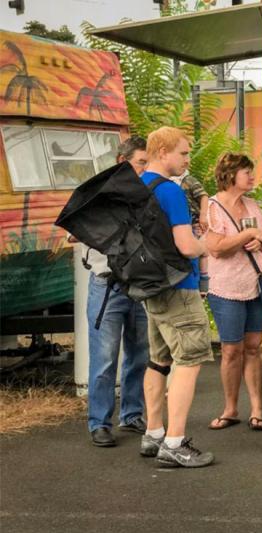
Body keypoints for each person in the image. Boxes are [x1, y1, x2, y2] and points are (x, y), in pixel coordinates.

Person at [138, 126, 215, 468]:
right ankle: (175, 441)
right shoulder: (169, 191)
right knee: (189, 360)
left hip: (150, 286)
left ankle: (153, 433)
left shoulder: (138, 186)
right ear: (162, 152)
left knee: (158, 361)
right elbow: (185, 245)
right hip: (179, 288)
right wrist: (204, 245)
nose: (186, 160)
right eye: (182, 153)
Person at [84, 136, 150, 448]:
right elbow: (79, 230)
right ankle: (99, 423)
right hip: (107, 285)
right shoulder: (100, 194)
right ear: (124, 162)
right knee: (105, 358)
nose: (146, 168)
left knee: (140, 354)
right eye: (141, 162)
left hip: (139, 285)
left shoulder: (146, 195)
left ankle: (132, 413)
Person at [205, 153, 262, 432]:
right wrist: (248, 236)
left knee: (254, 348)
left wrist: (261, 243)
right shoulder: (213, 207)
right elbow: (217, 247)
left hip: (256, 282)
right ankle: (230, 408)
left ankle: (257, 409)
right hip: (226, 287)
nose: (252, 176)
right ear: (231, 175)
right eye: (247, 171)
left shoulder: (254, 205)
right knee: (232, 349)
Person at [170, 170, 210, 294]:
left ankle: (203, 282)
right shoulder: (167, 182)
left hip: (194, 222)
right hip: (179, 224)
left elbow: (203, 196)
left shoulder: (188, 180)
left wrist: (203, 216)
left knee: (201, 252)